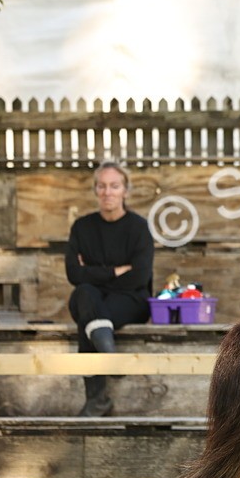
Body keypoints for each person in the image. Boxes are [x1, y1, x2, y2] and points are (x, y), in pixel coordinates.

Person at [65, 161, 154, 416]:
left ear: (125, 191)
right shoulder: (82, 227)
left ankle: (97, 399)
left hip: (131, 300)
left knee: (88, 312)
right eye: (102, 186)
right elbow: (73, 273)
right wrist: (115, 271)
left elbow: (139, 277)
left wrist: (91, 274)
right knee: (83, 294)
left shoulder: (138, 227)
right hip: (93, 298)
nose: (108, 192)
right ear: (95, 190)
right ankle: (108, 351)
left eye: (114, 186)